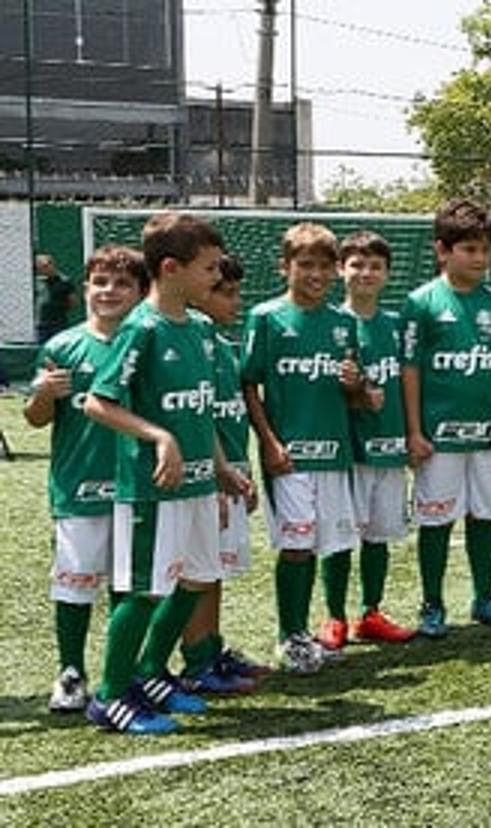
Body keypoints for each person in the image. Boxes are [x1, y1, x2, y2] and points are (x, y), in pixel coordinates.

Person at [83, 212, 250, 735]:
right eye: (208, 268)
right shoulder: (141, 329)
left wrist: (222, 467)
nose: (216, 277)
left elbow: (199, 410)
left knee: (199, 578)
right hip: (155, 489)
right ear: (172, 268)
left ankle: (152, 671)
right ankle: (110, 695)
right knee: (143, 591)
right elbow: (97, 403)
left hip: (201, 483)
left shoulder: (200, 329)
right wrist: (159, 438)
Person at [242, 223, 370, 671]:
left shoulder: (343, 324)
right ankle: (290, 634)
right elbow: (249, 384)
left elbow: (359, 396)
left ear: (336, 270)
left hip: (335, 452)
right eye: (305, 265)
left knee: (324, 543)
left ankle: (313, 627)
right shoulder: (267, 318)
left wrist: (356, 387)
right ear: (286, 267)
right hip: (289, 456)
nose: (315, 274)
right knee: (295, 545)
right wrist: (270, 442)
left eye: (323, 265)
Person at [28, 245, 142, 712]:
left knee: (128, 583)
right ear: (88, 288)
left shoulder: (146, 342)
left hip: (138, 485)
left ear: (141, 291)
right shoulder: (63, 346)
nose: (109, 291)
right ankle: (71, 671)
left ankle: (125, 673)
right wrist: (44, 395)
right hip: (78, 486)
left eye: (121, 283)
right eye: (100, 282)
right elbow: (35, 419)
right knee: (74, 583)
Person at [403, 199, 491, 635]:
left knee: (484, 515)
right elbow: (410, 370)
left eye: (484, 250)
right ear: (442, 250)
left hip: (489, 434)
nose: (479, 258)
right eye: (468, 249)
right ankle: (432, 604)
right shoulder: (421, 303)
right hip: (439, 439)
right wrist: (414, 430)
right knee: (436, 518)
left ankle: (484, 597)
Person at [176, 256, 265, 695]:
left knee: (214, 570)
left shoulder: (222, 344)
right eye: (224, 292)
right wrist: (216, 473)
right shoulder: (191, 341)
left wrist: (241, 471)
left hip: (230, 473)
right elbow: (196, 417)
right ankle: (195, 660)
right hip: (206, 477)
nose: (236, 301)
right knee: (199, 573)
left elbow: (231, 417)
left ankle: (211, 650)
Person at [339, 232, 415, 644]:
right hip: (348, 451)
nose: (365, 273)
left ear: (387, 274)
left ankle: (370, 612)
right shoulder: (333, 324)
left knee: (379, 536)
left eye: (374, 266)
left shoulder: (396, 326)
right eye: (357, 265)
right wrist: (356, 396)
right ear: (341, 270)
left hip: (389, 447)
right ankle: (334, 616)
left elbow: (410, 384)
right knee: (339, 538)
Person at [36, 253, 78, 345]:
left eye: (45, 266)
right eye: (40, 267)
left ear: (52, 265)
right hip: (42, 324)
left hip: (59, 323)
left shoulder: (64, 281)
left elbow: (73, 302)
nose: (43, 270)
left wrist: (60, 308)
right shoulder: (37, 282)